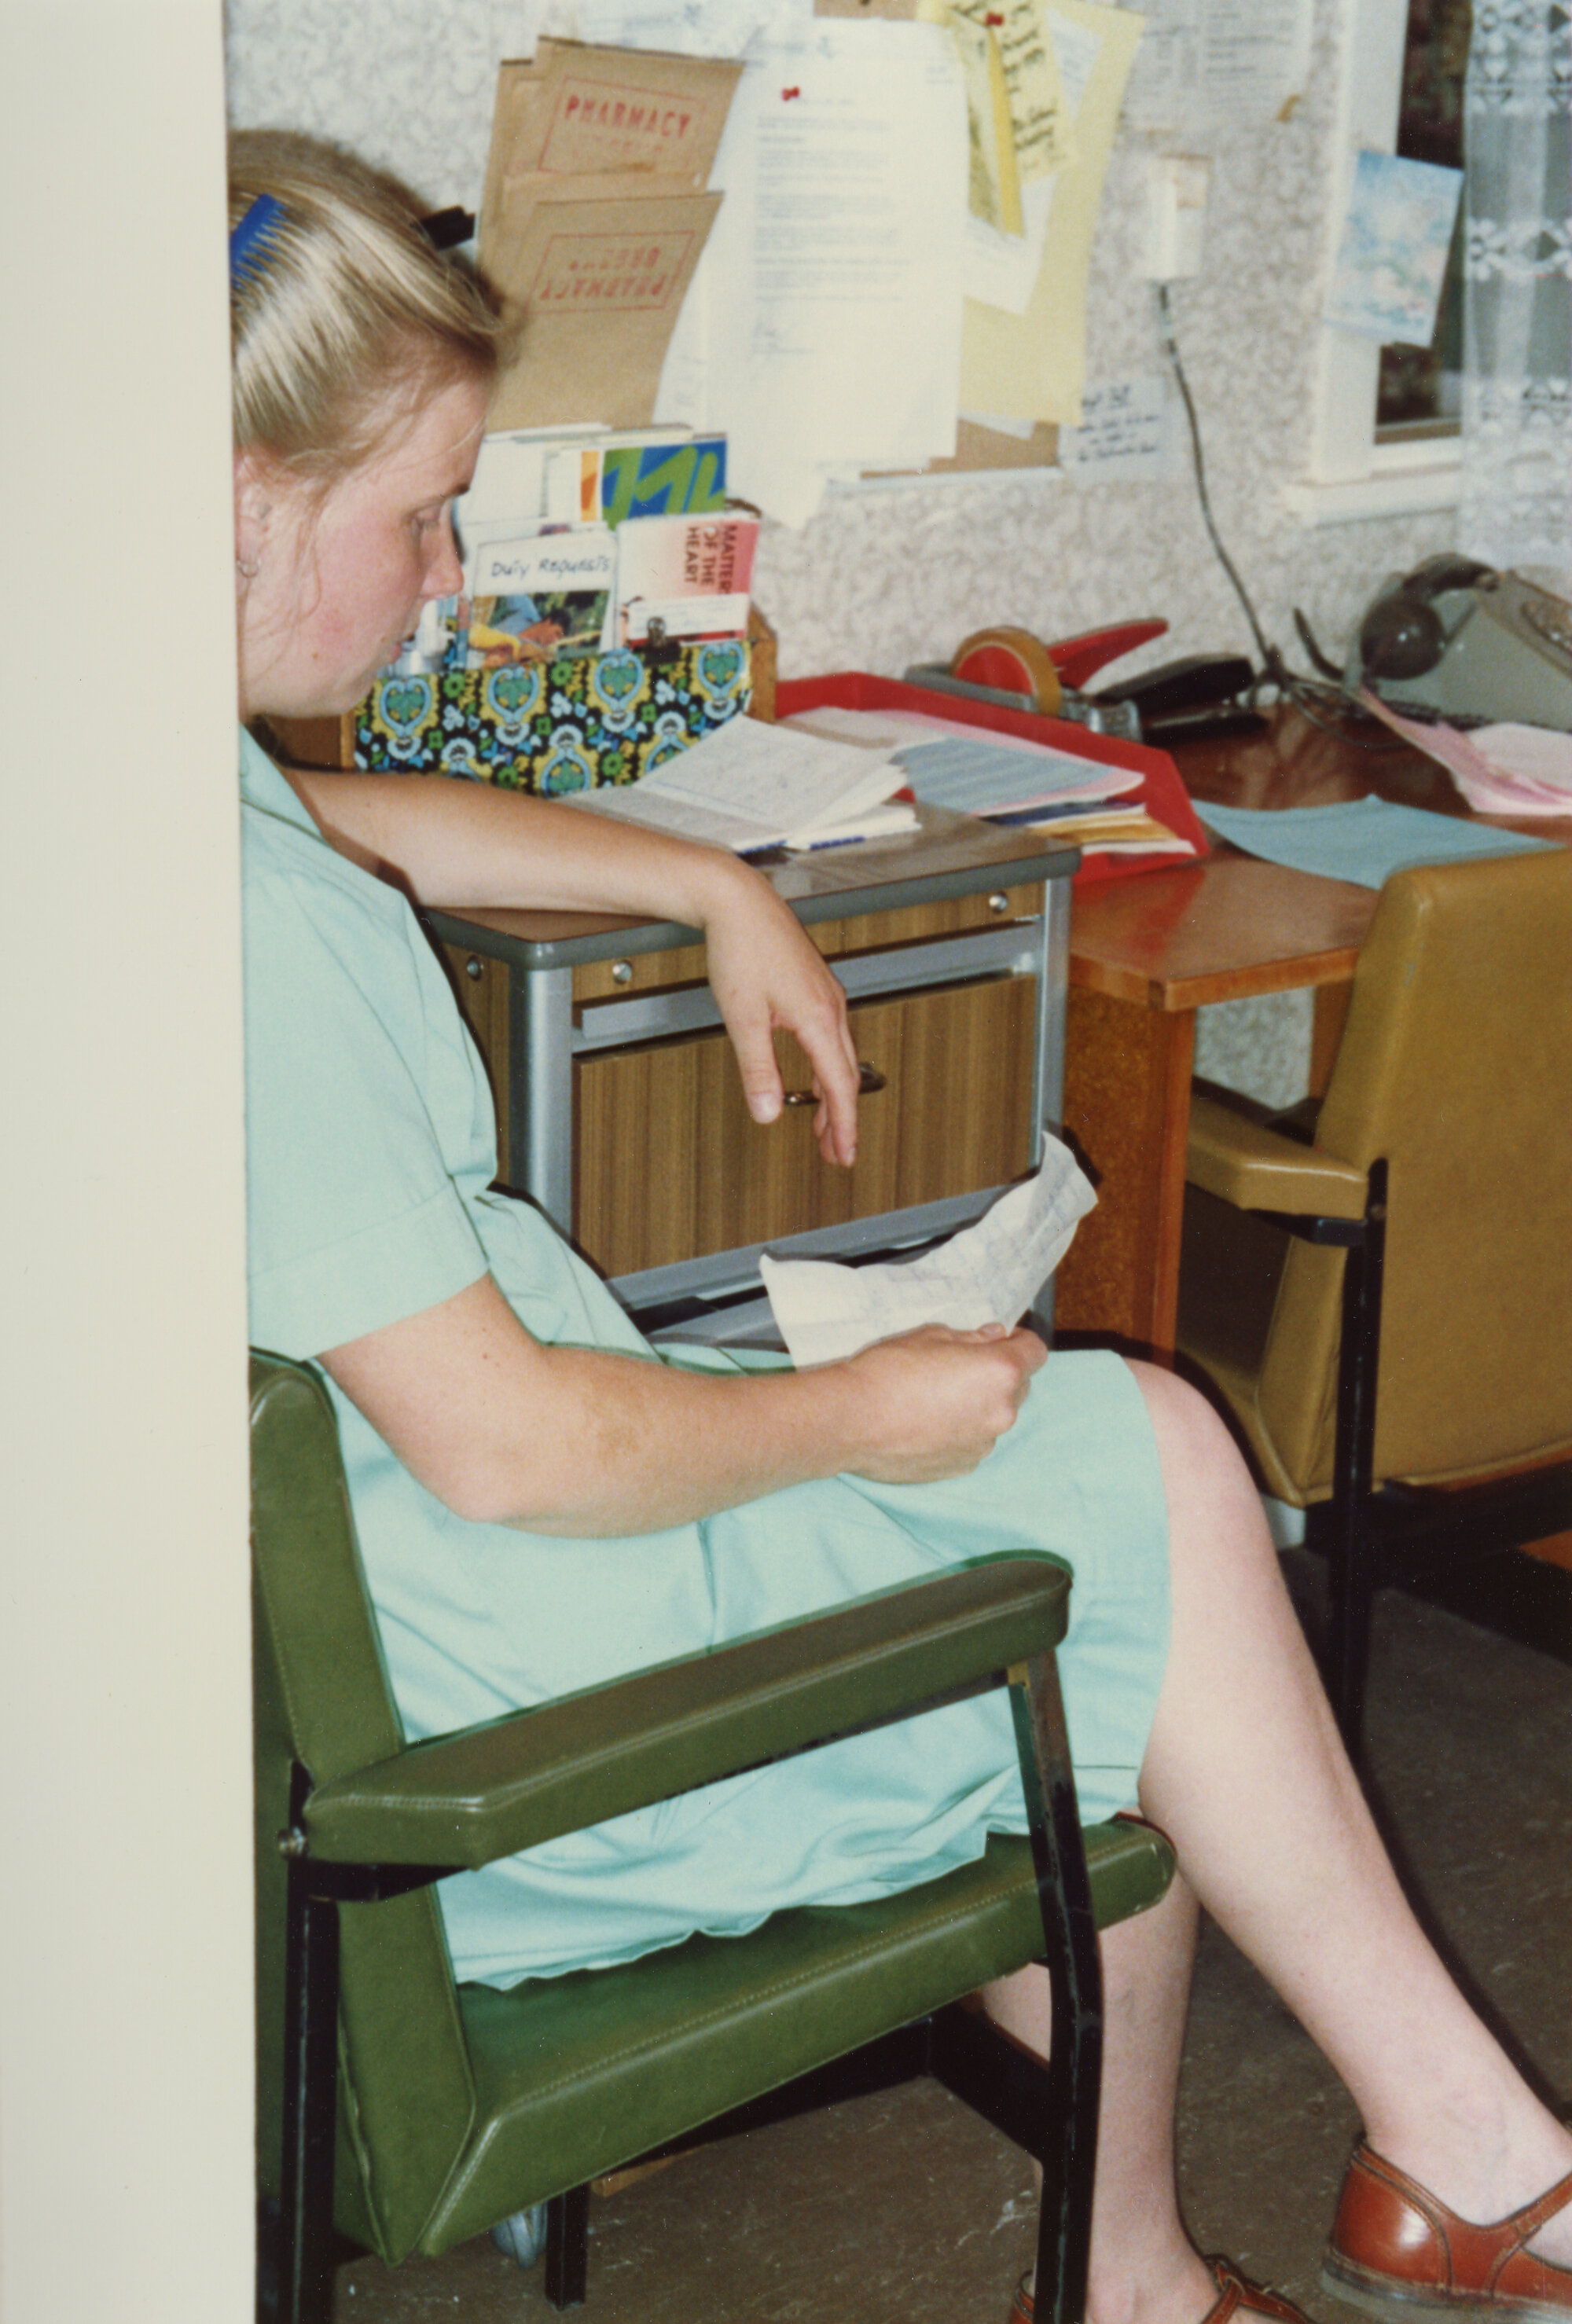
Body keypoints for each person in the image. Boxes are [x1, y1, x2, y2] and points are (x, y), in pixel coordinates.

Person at [232, 128, 1572, 2324]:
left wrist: (705, 874)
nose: (454, 567)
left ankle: (1292, 2225)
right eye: (421, 514)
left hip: (432, 1615)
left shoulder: (133, 786)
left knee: (1126, 1551)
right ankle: (1453, 2169)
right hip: (500, 1718)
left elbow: (359, 817)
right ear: (253, 503)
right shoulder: (258, 955)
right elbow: (514, 1450)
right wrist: (859, 1414)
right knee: (1132, 1493)